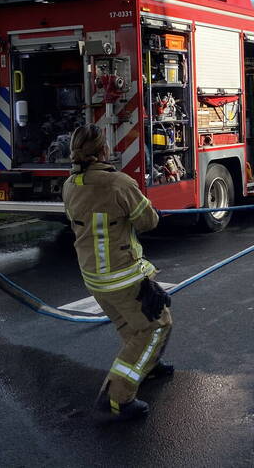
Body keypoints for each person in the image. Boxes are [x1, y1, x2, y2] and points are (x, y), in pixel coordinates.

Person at [62, 124, 173, 422]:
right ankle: (117, 398)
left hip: (94, 276)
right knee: (155, 326)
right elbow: (148, 221)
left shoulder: (71, 183)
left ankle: (147, 365)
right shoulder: (118, 183)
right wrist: (152, 209)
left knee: (129, 325)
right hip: (122, 275)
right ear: (103, 151)